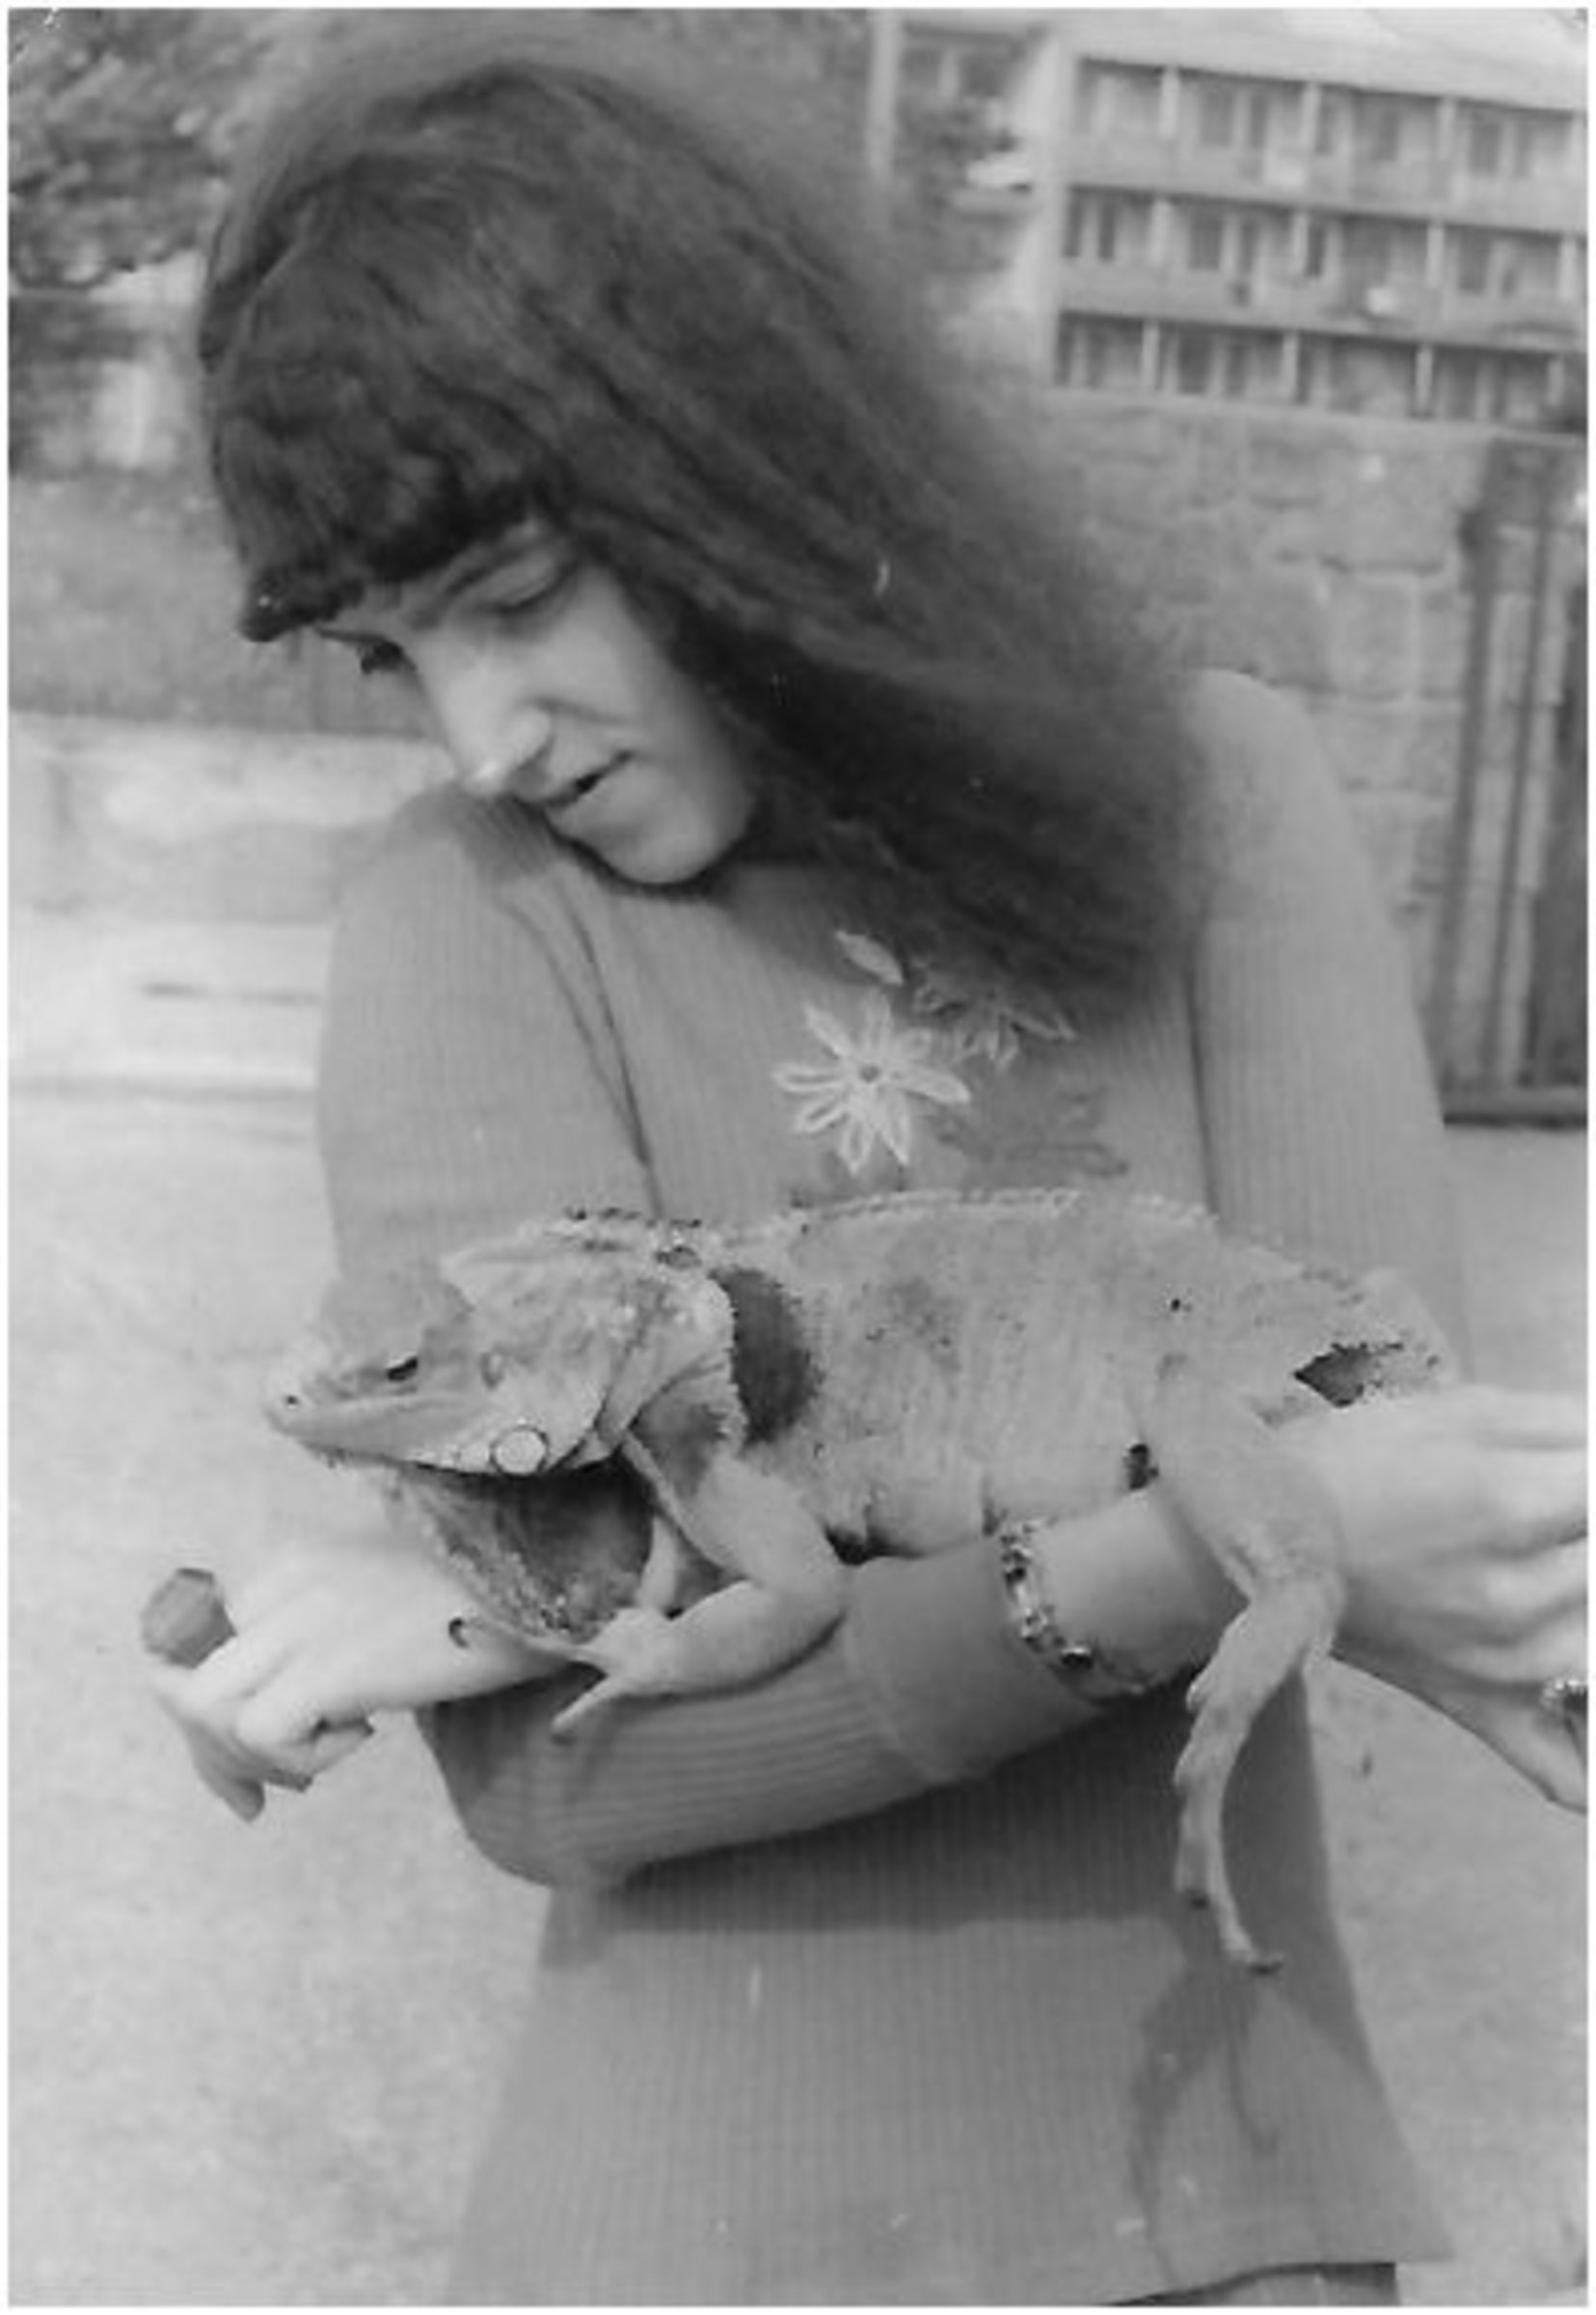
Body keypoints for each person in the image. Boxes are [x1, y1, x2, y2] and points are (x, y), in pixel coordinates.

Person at [149, 17, 1586, 2306]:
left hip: (1234, 2220)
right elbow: (568, 1786)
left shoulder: (1218, 803)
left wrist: (497, 1600)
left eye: (513, 600)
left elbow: (1421, 1509)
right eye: (391, 657)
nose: (483, 737)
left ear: (747, 465)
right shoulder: (466, 913)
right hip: (683, 2250)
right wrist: (1149, 1558)